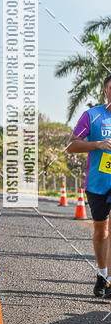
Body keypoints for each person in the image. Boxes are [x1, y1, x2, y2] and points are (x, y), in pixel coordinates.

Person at [67, 75, 111, 298]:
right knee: (101, 230)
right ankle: (102, 274)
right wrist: (98, 144)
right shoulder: (92, 116)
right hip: (98, 183)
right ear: (105, 91)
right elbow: (72, 145)